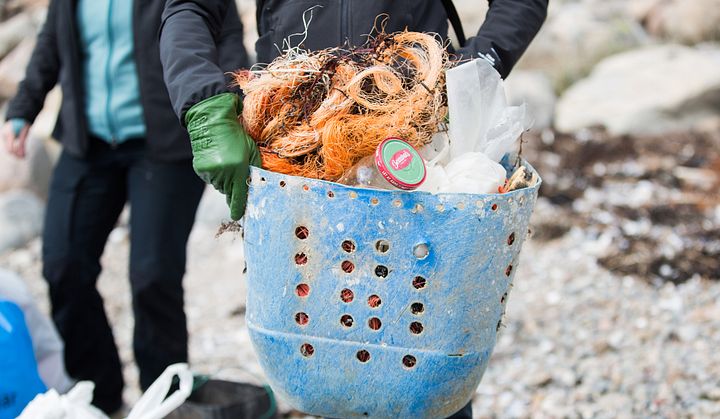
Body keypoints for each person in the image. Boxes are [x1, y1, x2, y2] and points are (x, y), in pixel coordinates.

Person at [159, 1, 548, 417]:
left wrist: (473, 70)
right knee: (320, 346)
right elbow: (191, 7)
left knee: (421, 339)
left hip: (418, 146)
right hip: (295, 142)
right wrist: (207, 103)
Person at [2, 0, 247, 414]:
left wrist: (233, 104)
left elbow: (221, 31)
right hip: (88, 144)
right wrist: (24, 107)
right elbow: (51, 39)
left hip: (164, 144)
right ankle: (99, 398)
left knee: (152, 276)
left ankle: (165, 401)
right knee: (64, 266)